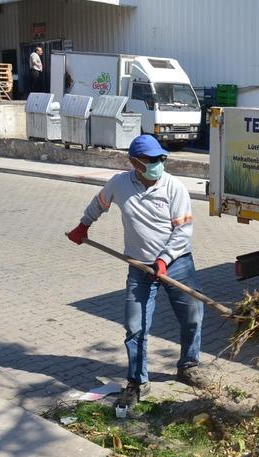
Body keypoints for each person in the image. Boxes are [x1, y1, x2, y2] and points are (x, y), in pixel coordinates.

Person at [66, 135, 204, 407]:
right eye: (151, 160)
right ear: (134, 162)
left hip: (176, 264)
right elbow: (99, 203)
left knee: (192, 317)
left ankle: (189, 365)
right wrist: (84, 225)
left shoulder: (174, 187)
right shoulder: (119, 184)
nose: (157, 163)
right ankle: (138, 381)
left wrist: (163, 261)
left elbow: (183, 232)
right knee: (135, 326)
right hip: (139, 267)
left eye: (160, 158)